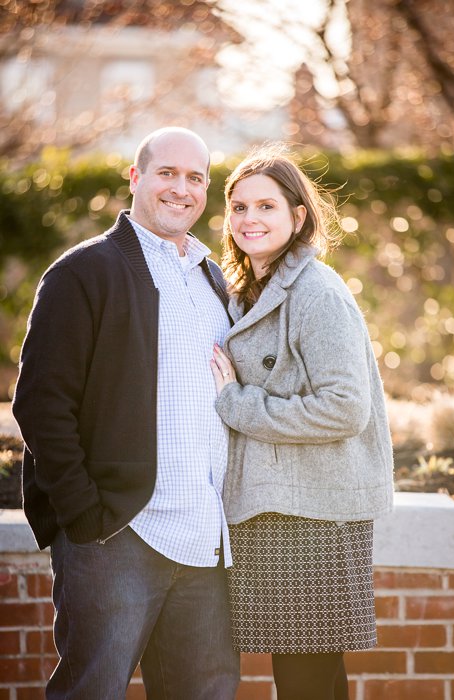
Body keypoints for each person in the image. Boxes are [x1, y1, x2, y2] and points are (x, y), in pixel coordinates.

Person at [12, 127, 240, 698]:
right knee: (93, 690)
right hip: (117, 533)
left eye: (195, 178)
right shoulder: (84, 271)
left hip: (205, 540)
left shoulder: (215, 280)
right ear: (136, 179)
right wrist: (86, 515)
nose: (181, 189)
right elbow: (41, 402)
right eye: (166, 172)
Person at [209, 144, 394, 700]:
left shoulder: (317, 292)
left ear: (298, 216)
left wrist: (235, 403)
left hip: (313, 513)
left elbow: (344, 406)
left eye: (266, 206)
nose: (249, 220)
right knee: (309, 676)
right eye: (239, 207)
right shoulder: (243, 288)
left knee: (304, 678)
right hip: (276, 505)